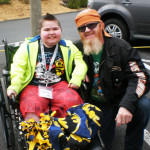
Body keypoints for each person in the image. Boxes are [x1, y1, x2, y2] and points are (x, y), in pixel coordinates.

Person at [74, 9, 150, 150]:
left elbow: (140, 77)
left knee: (143, 106)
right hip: (100, 103)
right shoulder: (77, 49)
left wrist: (126, 105)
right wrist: (77, 71)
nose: (87, 30)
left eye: (91, 25)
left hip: (121, 97)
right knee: (102, 144)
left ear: (101, 25)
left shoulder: (122, 48)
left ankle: (132, 145)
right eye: (82, 28)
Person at [7, 13, 87, 121]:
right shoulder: (27, 47)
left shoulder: (68, 46)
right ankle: (36, 135)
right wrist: (14, 86)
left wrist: (77, 78)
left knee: (73, 102)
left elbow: (80, 63)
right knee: (30, 107)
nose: (51, 33)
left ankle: (68, 132)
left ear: (61, 30)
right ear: (40, 32)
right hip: (34, 86)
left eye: (55, 29)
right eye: (47, 30)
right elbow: (18, 67)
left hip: (60, 85)